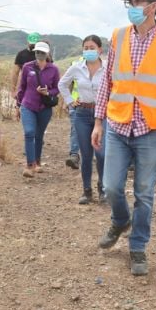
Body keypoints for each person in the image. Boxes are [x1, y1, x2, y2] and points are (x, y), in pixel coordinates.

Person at [92, 0, 156, 276]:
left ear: (152, 6)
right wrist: (97, 121)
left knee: (145, 193)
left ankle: (138, 246)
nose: (132, 7)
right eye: (129, 2)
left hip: (149, 128)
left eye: (136, 2)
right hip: (117, 125)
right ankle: (121, 220)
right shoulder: (118, 36)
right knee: (111, 187)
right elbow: (108, 80)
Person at [59, 35, 106, 204]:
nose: (88, 51)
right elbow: (62, 84)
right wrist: (71, 101)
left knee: (101, 154)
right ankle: (87, 191)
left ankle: (103, 188)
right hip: (82, 114)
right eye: (85, 48)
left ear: (100, 50)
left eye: (92, 47)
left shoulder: (108, 67)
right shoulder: (76, 67)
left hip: (103, 115)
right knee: (86, 154)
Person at [16, 41, 60, 177]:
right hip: (28, 105)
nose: (39, 54)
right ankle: (29, 165)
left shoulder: (54, 69)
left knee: (39, 135)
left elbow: (58, 88)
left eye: (41, 52)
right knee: (29, 132)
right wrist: (18, 105)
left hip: (44, 107)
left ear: (47, 53)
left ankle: (37, 162)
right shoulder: (27, 67)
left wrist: (48, 93)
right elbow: (22, 87)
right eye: (37, 52)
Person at [10, 32, 40, 96]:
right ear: (27, 41)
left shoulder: (43, 54)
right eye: (31, 43)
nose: (32, 45)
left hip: (39, 88)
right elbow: (15, 73)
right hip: (24, 87)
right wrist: (13, 90)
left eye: (34, 43)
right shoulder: (21, 54)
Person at [65, 60, 81, 170]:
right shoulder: (76, 64)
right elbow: (68, 84)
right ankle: (74, 155)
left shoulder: (102, 65)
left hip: (94, 105)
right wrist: (69, 101)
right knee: (75, 129)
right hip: (75, 104)